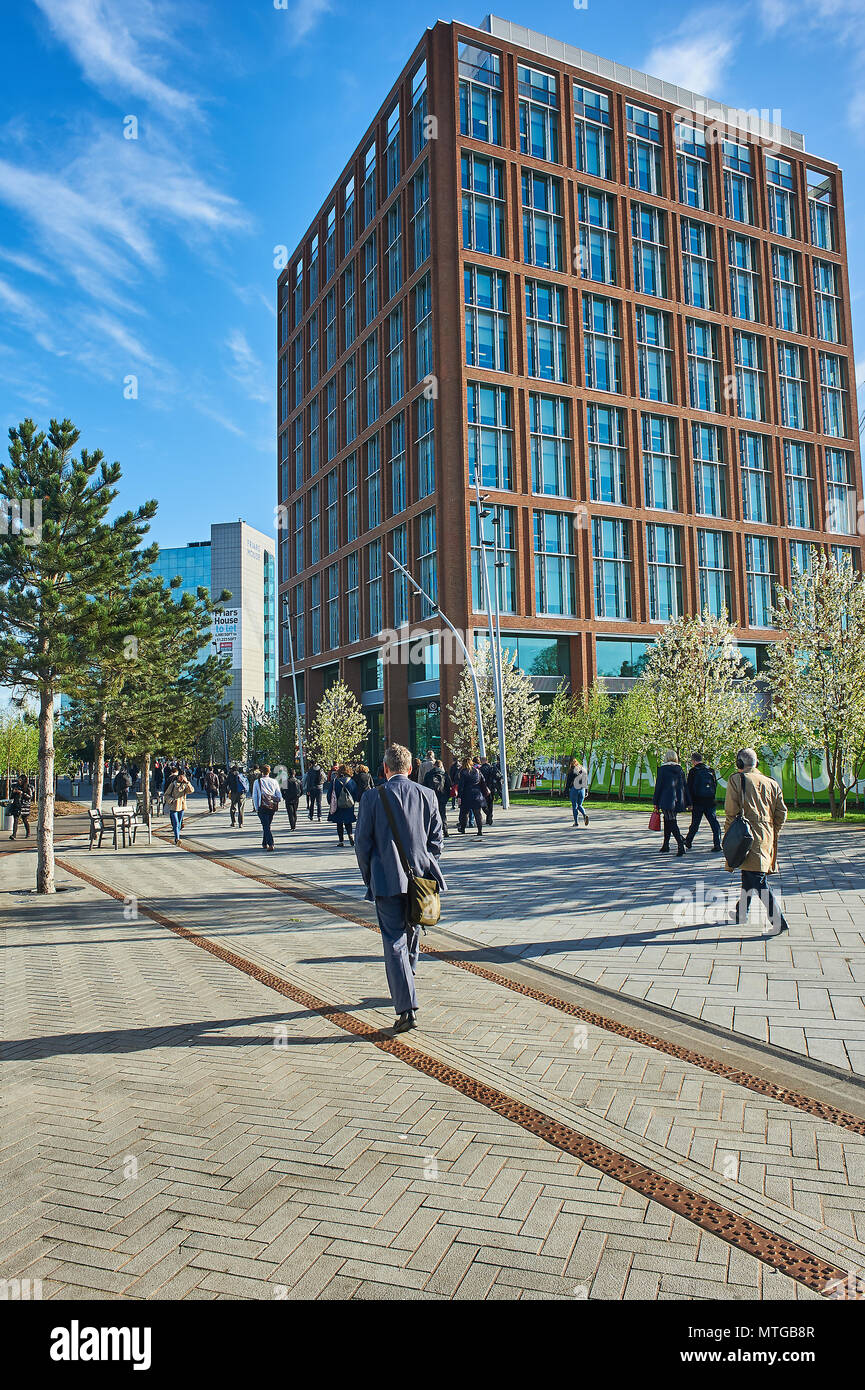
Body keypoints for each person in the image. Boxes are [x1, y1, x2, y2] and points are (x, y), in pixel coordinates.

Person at [354, 743, 445, 1034]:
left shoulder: (371, 798)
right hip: (421, 880)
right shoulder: (427, 795)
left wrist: (370, 877)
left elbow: (362, 844)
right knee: (414, 929)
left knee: (394, 941)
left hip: (387, 880)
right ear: (410, 768)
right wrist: (426, 864)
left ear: (385, 769)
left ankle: (406, 1008)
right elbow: (437, 839)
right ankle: (407, 975)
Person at [724, 748, 789, 936]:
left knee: (758, 880)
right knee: (749, 874)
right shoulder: (771, 782)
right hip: (766, 835)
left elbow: (731, 812)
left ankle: (778, 922)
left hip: (745, 835)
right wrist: (772, 830)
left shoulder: (736, 780)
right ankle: (741, 912)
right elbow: (781, 812)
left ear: (739, 764)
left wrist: (727, 837)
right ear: (756, 763)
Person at [653, 751, 690, 856]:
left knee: (671, 822)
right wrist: (688, 801)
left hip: (666, 799)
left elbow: (659, 786)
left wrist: (655, 801)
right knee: (668, 820)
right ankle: (666, 844)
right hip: (678, 800)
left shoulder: (662, 770)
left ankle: (680, 843)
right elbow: (684, 786)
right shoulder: (680, 770)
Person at [685, 753, 722, 852]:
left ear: (693, 761)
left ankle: (688, 841)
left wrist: (689, 803)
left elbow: (689, 787)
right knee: (714, 823)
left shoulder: (693, 771)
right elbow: (715, 785)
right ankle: (717, 844)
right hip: (710, 801)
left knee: (695, 823)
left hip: (697, 801)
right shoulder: (710, 770)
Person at [252, 763, 281, 851]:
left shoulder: (257, 782)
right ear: (269, 772)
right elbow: (279, 796)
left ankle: (271, 843)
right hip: (272, 806)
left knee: (265, 825)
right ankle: (264, 843)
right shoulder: (274, 781)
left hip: (262, 806)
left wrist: (256, 807)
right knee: (267, 824)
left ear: (261, 772)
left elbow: (255, 796)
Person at [328, 763, 358, 847]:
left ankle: (341, 840)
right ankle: (350, 834)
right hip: (349, 804)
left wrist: (330, 803)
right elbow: (356, 794)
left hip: (338, 805)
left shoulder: (335, 782)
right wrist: (353, 801)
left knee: (339, 823)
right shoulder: (352, 782)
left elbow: (330, 794)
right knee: (348, 821)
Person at [457, 756, 486, 838]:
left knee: (464, 813)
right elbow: (483, 781)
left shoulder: (463, 772)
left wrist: (459, 796)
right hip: (477, 794)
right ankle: (480, 830)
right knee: (477, 813)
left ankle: (463, 828)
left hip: (466, 795)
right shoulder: (477, 771)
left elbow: (461, 786)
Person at [164, 768, 193, 845]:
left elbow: (191, 790)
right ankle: (177, 839)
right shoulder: (173, 784)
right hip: (174, 806)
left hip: (182, 806)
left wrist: (187, 782)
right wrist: (172, 800)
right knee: (176, 823)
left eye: (183, 776)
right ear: (178, 776)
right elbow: (166, 795)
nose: (182, 778)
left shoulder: (185, 785)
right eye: (180, 776)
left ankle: (177, 836)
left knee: (179, 824)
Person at [423, 757, 450, 837]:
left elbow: (425, 786)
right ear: (441, 766)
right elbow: (448, 787)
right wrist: (446, 797)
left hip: (431, 796)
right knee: (443, 814)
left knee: (431, 815)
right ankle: (445, 831)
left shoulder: (428, 774)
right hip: (442, 796)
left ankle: (432, 832)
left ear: (434, 765)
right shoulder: (444, 774)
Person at [565, 757, 590, 827]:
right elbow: (586, 780)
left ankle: (576, 822)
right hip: (582, 789)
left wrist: (566, 791)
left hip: (574, 788)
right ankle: (585, 815)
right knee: (579, 805)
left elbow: (568, 782)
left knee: (574, 806)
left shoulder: (571, 770)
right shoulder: (583, 769)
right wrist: (586, 790)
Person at [8, 775, 32, 840]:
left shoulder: (28, 787)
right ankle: (14, 834)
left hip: (24, 806)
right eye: (19, 779)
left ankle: (28, 832)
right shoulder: (15, 786)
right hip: (16, 805)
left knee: (24, 819)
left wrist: (22, 793)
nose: (19, 781)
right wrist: (13, 792)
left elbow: (29, 797)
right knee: (15, 820)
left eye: (21, 780)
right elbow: (11, 797)